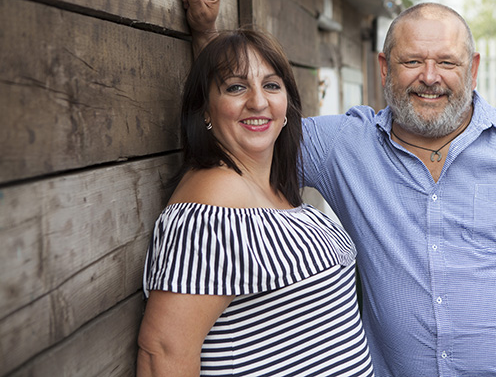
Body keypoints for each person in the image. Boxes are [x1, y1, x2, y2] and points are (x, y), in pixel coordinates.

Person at [181, 0, 496, 377]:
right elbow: (247, 123)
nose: (430, 78)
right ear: (384, 69)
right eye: (412, 61)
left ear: (472, 70)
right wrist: (209, 38)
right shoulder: (343, 145)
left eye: (448, 63)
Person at [136, 27, 374, 376]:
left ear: (288, 105)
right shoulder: (212, 207)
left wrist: (208, 35)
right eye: (236, 87)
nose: (258, 101)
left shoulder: (271, 184)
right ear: (204, 110)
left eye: (272, 85)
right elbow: (163, 353)